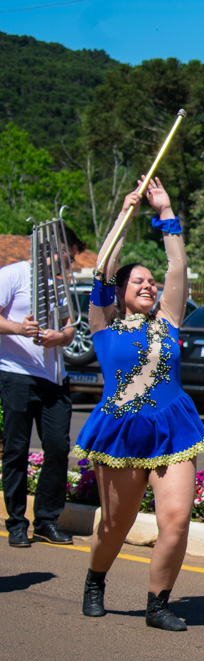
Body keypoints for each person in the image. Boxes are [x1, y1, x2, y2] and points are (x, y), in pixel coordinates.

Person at [73, 177, 204, 631]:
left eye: (151, 281)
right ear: (120, 291)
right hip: (122, 429)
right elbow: (104, 271)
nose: (150, 285)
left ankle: (158, 604)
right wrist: (125, 215)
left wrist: (165, 212)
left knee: (176, 520)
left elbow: (177, 266)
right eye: (139, 281)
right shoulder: (103, 324)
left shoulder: (168, 319)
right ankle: (96, 579)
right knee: (115, 525)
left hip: (173, 426)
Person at [0, 223, 83, 548]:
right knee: (17, 448)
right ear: (58, 248)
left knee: (58, 447)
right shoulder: (17, 273)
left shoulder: (59, 287)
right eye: (71, 256)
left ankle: (47, 520)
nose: (71, 263)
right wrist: (20, 329)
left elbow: (69, 331)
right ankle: (17, 522)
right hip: (17, 372)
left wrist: (58, 337)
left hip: (54, 378)